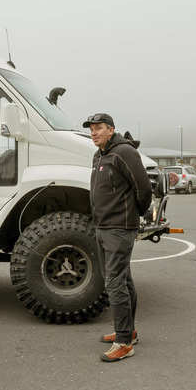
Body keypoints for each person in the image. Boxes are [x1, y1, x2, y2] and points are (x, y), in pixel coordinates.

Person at [83, 114, 152, 362]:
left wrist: (136, 215)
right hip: (103, 226)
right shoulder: (100, 154)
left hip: (119, 228)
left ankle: (124, 343)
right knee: (123, 280)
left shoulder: (124, 152)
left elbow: (143, 188)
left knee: (114, 283)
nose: (94, 133)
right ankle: (128, 331)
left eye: (99, 128)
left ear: (111, 129)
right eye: (91, 129)